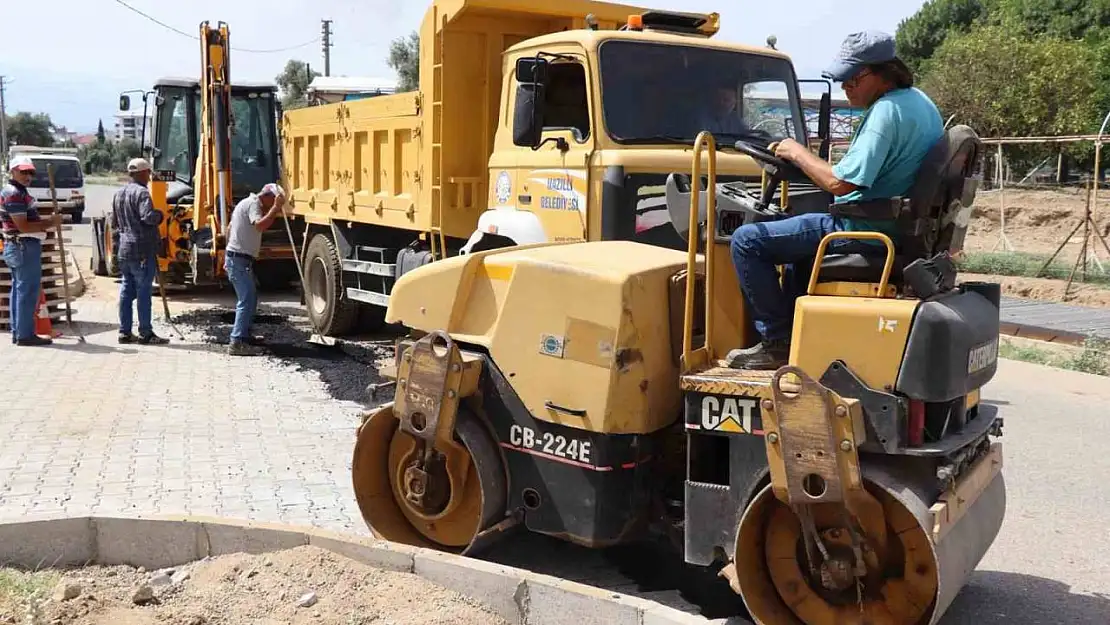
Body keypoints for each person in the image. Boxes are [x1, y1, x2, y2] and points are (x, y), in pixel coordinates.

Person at [725, 31, 944, 370]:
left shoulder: (885, 114)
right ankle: (799, 336)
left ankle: (776, 343)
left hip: (863, 227)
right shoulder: (920, 103)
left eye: (852, 79)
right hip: (895, 225)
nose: (846, 88)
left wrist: (796, 152)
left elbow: (840, 182)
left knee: (747, 241)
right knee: (796, 249)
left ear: (879, 72)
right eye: (842, 80)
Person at [1, 156, 62, 346]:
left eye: (30, 172)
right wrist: (50, 222)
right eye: (23, 172)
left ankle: (19, 332)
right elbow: (24, 226)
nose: (28, 176)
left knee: (20, 289)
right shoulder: (14, 193)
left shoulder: (17, 191)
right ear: (13, 171)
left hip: (19, 245)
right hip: (23, 245)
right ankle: (24, 335)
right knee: (27, 291)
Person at [111, 158, 169, 345]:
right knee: (143, 292)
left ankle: (125, 332)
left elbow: (114, 223)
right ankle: (145, 333)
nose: (149, 176)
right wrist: (160, 214)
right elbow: (148, 217)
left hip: (124, 250)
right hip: (142, 250)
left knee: (127, 291)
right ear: (143, 173)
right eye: (148, 173)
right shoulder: (142, 193)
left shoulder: (119, 193)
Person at [224, 183, 285, 356]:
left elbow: (229, 229)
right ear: (267, 196)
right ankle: (236, 342)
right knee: (246, 299)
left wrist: (226, 255)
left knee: (250, 298)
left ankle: (244, 335)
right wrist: (275, 208)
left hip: (237, 258)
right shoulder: (253, 204)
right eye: (272, 201)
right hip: (238, 260)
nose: (271, 206)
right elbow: (259, 225)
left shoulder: (245, 203)